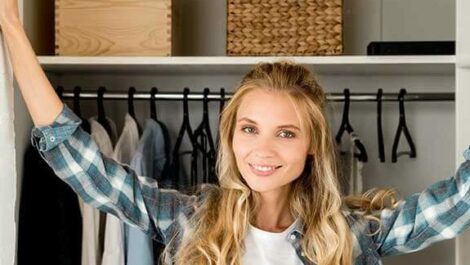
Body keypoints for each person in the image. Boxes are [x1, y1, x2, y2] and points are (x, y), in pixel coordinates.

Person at [2, 1, 470, 264]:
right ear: (230, 136)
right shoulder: (190, 220)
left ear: (312, 147)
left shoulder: (348, 235)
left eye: (285, 133)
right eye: (250, 128)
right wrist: (11, 24)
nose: (262, 150)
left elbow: (455, 203)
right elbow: (78, 158)